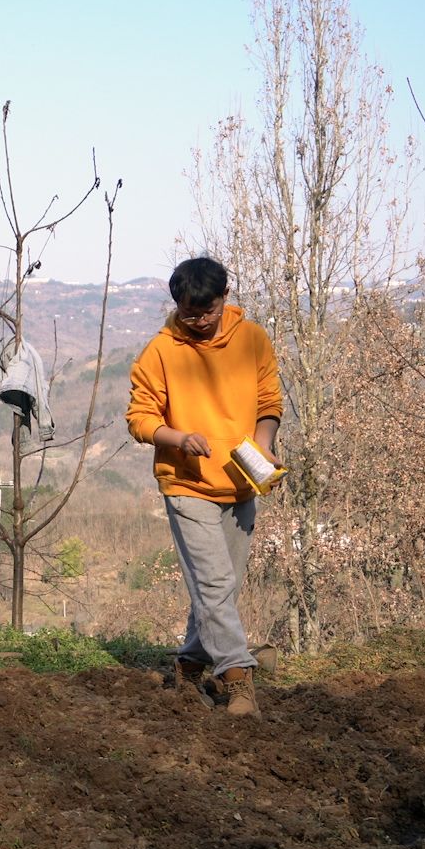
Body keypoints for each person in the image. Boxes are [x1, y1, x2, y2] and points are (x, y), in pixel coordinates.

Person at [126, 256, 281, 717]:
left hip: (242, 481)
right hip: (185, 483)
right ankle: (238, 681)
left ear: (224, 298)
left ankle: (190, 665)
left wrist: (264, 445)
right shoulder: (160, 351)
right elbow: (139, 418)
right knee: (213, 582)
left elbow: (270, 401)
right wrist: (177, 438)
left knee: (222, 588)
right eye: (189, 313)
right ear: (176, 306)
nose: (198, 321)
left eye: (206, 311)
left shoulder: (252, 339)